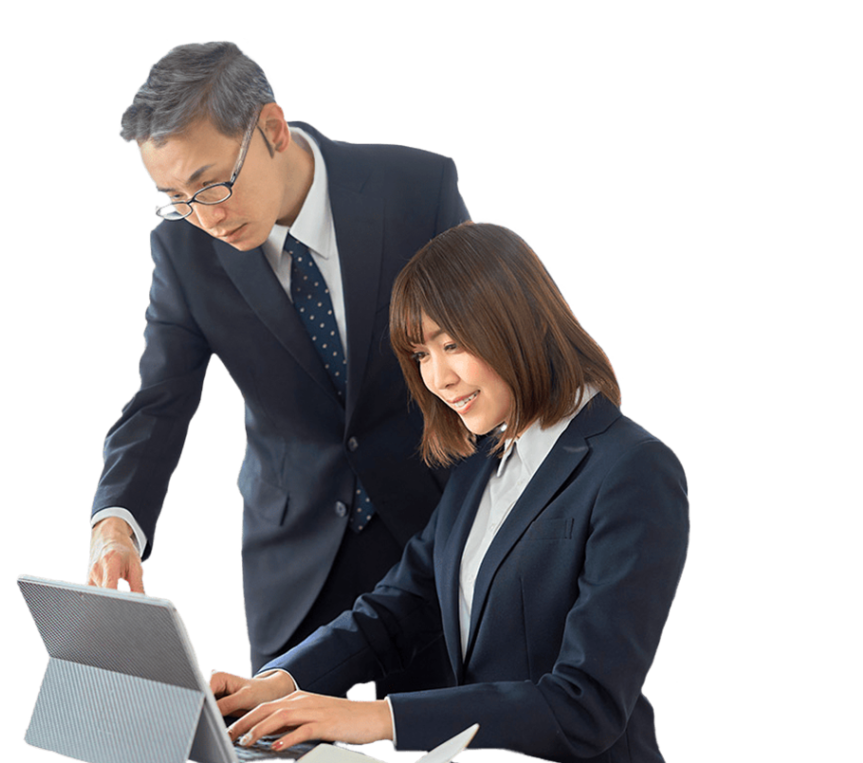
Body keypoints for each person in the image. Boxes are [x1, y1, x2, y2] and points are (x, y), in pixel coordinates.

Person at [209, 221, 690, 762]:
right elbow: (398, 609)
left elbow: (586, 705)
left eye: (452, 344)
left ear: (522, 321)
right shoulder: (481, 462)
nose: (438, 378)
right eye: (421, 354)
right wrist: (280, 682)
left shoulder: (634, 468)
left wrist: (377, 717)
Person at [85, 40, 470, 688]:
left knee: (443, 729)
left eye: (212, 184)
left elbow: (490, 351)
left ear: (272, 129)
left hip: (434, 529)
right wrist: (115, 527)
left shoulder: (415, 188)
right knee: (277, 732)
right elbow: (159, 401)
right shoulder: (182, 249)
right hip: (294, 561)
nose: (205, 217)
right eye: (176, 197)